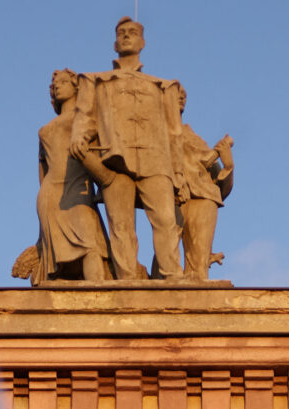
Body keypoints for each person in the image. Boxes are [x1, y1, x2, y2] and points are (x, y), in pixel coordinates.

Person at [88, 18, 183, 283]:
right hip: (115, 161)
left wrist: (178, 172)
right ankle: (127, 280)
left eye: (133, 33)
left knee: (165, 219)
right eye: (122, 33)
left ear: (143, 42)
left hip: (156, 161)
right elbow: (85, 119)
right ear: (115, 43)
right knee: (121, 225)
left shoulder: (163, 87)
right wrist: (79, 137)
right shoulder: (96, 82)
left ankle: (173, 274)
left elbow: (175, 133)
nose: (127, 36)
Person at [14, 69, 110, 287]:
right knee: (56, 255)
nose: (57, 86)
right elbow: (43, 171)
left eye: (63, 82)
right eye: (54, 84)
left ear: (76, 87)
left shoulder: (88, 122)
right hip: (51, 195)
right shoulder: (45, 131)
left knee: (91, 245)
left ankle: (99, 299)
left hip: (79, 192)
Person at [171, 87, 233, 285]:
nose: (181, 97)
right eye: (175, 95)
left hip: (203, 198)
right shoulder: (156, 134)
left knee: (197, 268)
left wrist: (228, 165)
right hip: (172, 197)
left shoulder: (193, 137)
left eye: (183, 96)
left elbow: (218, 184)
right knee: (166, 261)